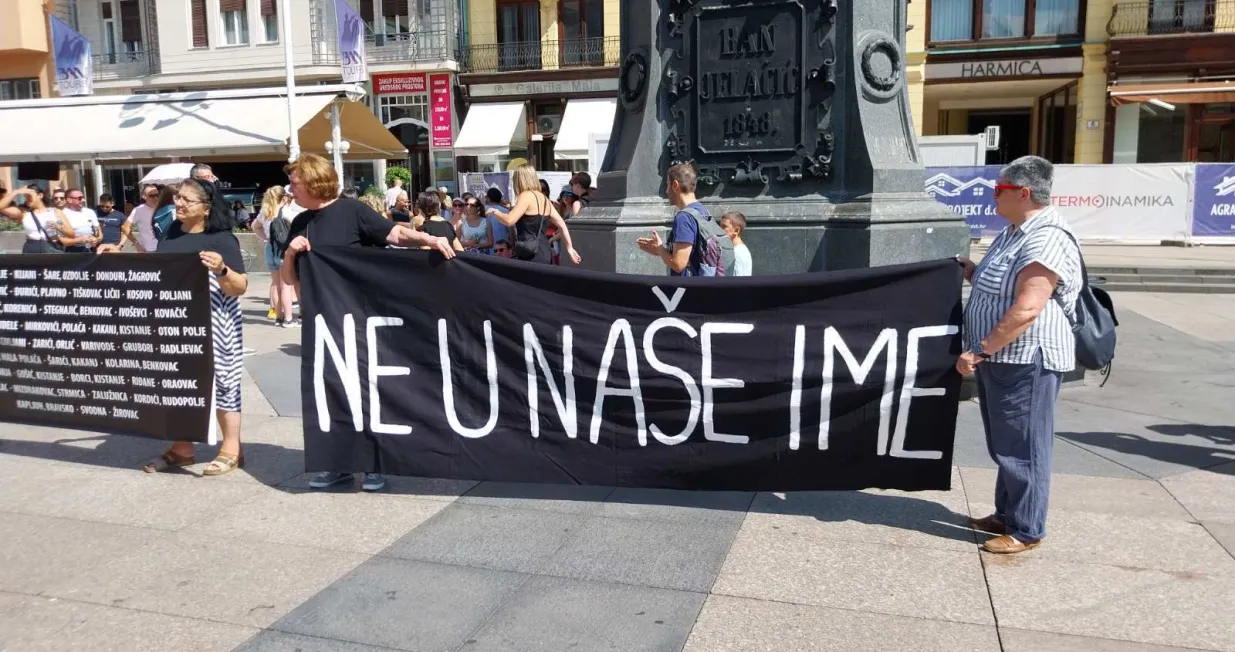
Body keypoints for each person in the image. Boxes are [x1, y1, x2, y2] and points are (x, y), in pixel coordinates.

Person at [279, 153, 455, 492]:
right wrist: (291, 252)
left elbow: (395, 235)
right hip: (322, 323)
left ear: (314, 182)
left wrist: (430, 239)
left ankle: (375, 462)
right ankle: (337, 463)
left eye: (295, 182)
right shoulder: (300, 221)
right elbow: (289, 278)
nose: (290, 188)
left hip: (358, 319)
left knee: (366, 389)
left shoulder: (351, 211)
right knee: (330, 391)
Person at [956, 155, 1082, 555]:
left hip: (1026, 358)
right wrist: (970, 270)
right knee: (1006, 442)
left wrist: (980, 350)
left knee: (1024, 446)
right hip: (1004, 358)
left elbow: (1028, 308)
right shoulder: (1015, 231)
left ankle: (1027, 529)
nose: (993, 196)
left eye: (1000, 190)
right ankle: (1006, 514)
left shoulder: (1046, 237)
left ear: (1023, 193)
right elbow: (1001, 284)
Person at [101, 177, 250, 476]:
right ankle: (182, 449)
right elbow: (158, 269)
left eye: (186, 200)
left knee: (224, 383)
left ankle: (232, 449)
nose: (178, 203)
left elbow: (240, 287)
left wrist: (222, 269)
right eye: (178, 197)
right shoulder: (170, 230)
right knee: (177, 383)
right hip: (176, 323)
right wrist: (119, 257)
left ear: (206, 208)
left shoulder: (222, 239)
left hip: (216, 325)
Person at [636, 162, 722, 276]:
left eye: (668, 185)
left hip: (689, 285)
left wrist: (660, 249)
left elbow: (678, 264)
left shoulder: (684, 217)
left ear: (675, 185)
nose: (666, 191)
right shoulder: (703, 211)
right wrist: (661, 250)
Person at [488, 165, 581, 265]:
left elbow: (509, 220)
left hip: (529, 252)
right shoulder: (544, 199)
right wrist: (569, 248)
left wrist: (495, 212)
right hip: (545, 251)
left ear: (519, 180)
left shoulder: (525, 196)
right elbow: (562, 225)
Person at [252, 186, 298, 327]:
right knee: (286, 286)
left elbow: (255, 226)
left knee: (277, 285)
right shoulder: (287, 212)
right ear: (284, 198)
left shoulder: (265, 212)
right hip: (283, 250)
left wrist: (265, 238)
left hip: (270, 248)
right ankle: (288, 318)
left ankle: (279, 317)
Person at [0, 186, 68, 253]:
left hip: (50, 245)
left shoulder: (54, 211)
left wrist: (59, 228)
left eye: (29, 196)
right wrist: (15, 192)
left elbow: (70, 234)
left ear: (40, 195)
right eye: (25, 196)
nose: (27, 199)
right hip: (31, 246)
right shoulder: (24, 213)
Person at [60, 188, 102, 253]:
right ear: (69, 200)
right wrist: (79, 240)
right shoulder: (62, 215)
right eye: (79, 198)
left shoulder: (90, 212)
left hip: (92, 250)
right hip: (73, 251)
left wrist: (97, 239)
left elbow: (99, 232)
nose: (83, 200)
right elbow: (62, 241)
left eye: (83, 197)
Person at [719, 212, 752, 276]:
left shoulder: (738, 253)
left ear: (736, 230)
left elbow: (738, 280)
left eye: (724, 227)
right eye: (720, 226)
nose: (720, 230)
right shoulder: (737, 250)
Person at [128, 183, 159, 252]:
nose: (155, 198)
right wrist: (136, 243)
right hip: (148, 250)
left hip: (163, 248)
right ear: (144, 196)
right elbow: (125, 227)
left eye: (157, 195)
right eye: (151, 196)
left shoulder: (162, 207)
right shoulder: (139, 210)